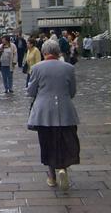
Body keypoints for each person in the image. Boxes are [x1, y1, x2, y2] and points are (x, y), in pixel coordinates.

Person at [27, 40, 80, 191]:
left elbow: (31, 91)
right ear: (58, 52)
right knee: (65, 140)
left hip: (44, 112)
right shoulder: (68, 68)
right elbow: (72, 91)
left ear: (44, 52)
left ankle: (51, 176)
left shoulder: (37, 68)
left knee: (47, 142)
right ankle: (63, 168)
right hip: (65, 110)